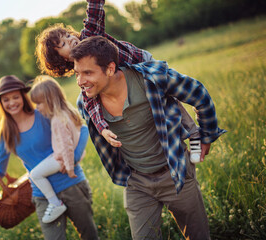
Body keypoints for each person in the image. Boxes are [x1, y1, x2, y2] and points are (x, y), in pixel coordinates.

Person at [70, 36, 226, 239]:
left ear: (110, 68)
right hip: (137, 183)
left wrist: (207, 135)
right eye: (77, 74)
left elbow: (198, 93)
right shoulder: (86, 104)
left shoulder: (151, 79)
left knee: (198, 236)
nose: (80, 81)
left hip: (175, 172)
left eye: (87, 73)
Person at [35, 0, 202, 163]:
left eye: (68, 34)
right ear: (61, 60)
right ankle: (172, 141)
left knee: (164, 93)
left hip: (140, 63)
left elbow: (94, 15)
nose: (70, 39)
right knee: (153, 107)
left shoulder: (89, 37)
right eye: (63, 43)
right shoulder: (83, 74)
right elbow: (90, 104)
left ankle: (194, 133)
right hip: (125, 81)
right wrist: (102, 128)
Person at [0, 75, 98, 240]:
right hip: (43, 196)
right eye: (6, 99)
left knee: (89, 236)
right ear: (1, 103)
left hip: (71, 185)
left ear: (23, 97)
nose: (11, 102)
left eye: (15, 97)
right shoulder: (6, 133)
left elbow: (81, 129)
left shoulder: (43, 113)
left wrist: (75, 157)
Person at [29, 75, 85, 223]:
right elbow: (77, 135)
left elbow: (67, 146)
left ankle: (55, 203)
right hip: (61, 155)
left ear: (49, 100)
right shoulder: (67, 113)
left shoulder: (58, 120)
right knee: (39, 169)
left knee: (35, 175)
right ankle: (55, 203)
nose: (37, 108)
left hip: (64, 158)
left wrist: (69, 166)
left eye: (39, 103)